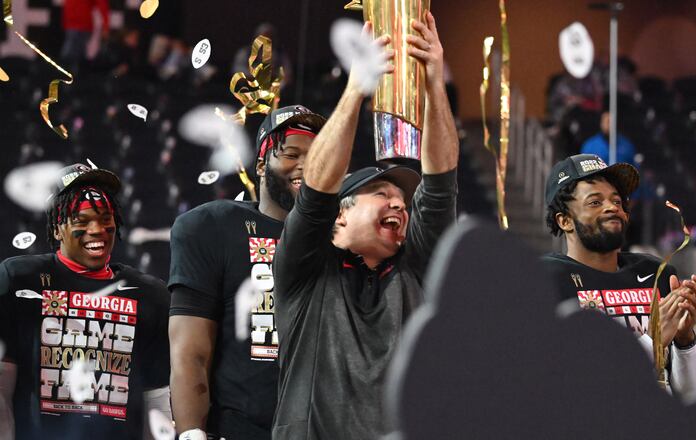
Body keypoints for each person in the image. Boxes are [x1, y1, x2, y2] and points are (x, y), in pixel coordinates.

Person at [272, 14, 458, 439]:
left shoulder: (419, 267)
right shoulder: (304, 272)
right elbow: (317, 190)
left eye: (401, 199)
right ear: (340, 216)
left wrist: (433, 85)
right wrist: (356, 89)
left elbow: (442, 181)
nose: (398, 202)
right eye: (380, 193)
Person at [168, 105, 326, 440]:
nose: (304, 165)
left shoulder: (342, 233)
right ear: (260, 164)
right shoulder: (214, 226)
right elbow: (190, 350)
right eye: (291, 153)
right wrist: (192, 433)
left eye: (316, 156)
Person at [0, 163, 171, 439]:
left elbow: (158, 400)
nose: (97, 229)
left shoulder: (149, 294)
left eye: (105, 218)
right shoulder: (20, 280)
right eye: (82, 220)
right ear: (57, 229)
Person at [540, 154, 696, 400]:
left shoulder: (655, 273)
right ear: (565, 220)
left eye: (617, 201)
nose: (612, 208)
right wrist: (652, 340)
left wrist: (685, 341)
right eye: (595, 202)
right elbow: (574, 382)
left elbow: (694, 396)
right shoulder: (546, 280)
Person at [60, 0, 110, 72]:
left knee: (76, 54)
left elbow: (102, 5)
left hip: (83, 25)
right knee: (71, 54)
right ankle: (71, 75)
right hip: (74, 25)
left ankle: (74, 76)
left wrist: (106, 26)